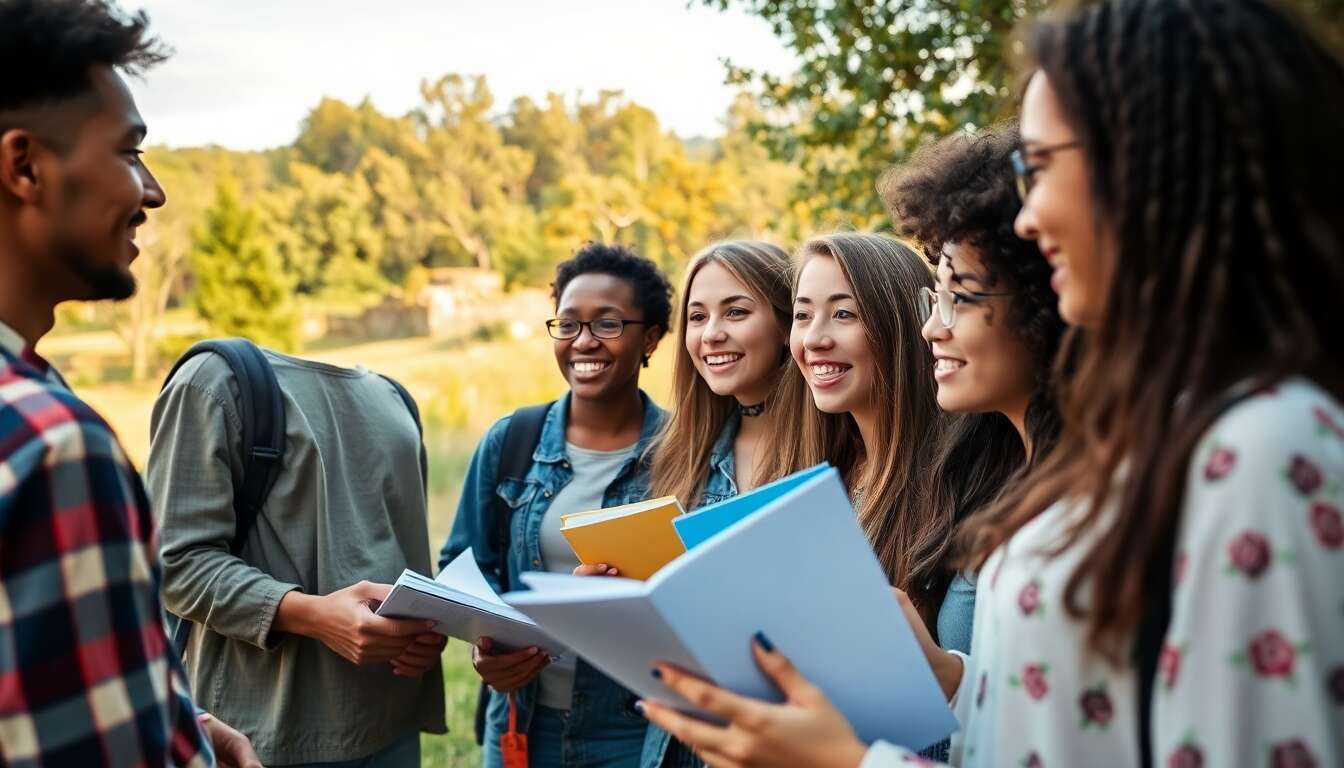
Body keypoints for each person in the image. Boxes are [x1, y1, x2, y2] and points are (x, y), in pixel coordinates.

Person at [639, 0, 1344, 765]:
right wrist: (948, 677)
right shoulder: (1154, 439)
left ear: (1155, 166)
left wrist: (842, 762)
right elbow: (1073, 724)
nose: (1030, 217)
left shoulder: (1260, 446)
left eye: (1038, 169)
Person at [0, 0, 259, 764]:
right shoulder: (54, 445)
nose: (152, 193)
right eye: (129, 152)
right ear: (25, 167)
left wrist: (178, 720)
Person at [148, 342, 449, 766]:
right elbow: (176, 564)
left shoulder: (394, 397)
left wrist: (420, 636)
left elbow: (408, 560)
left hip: (392, 726)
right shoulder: (215, 382)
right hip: (264, 737)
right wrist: (315, 616)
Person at [440, 242, 673, 768]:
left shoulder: (684, 452)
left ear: (650, 338)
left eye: (608, 324)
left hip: (638, 730)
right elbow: (460, 570)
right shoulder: (511, 441)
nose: (583, 342)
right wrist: (489, 648)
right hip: (523, 724)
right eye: (568, 324)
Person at [635, 240, 793, 767]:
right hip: (682, 745)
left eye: (737, 312)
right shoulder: (681, 457)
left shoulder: (844, 452)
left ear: (787, 323)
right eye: (697, 317)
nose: (711, 335)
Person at [760, 233, 952, 628]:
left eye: (844, 314)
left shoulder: (953, 485)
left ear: (902, 325)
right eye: (802, 315)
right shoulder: (809, 476)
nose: (814, 339)